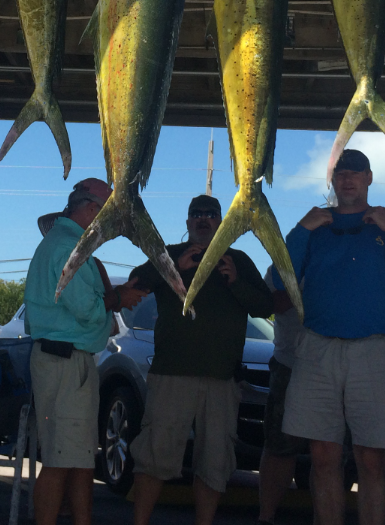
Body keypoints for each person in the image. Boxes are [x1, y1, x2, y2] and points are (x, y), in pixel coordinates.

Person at [283, 149, 385, 525]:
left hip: (374, 350)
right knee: (322, 457)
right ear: (332, 181)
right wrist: (301, 230)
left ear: (369, 178)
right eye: (340, 173)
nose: (348, 179)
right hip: (318, 349)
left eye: (356, 172)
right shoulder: (311, 227)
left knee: (371, 460)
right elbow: (278, 279)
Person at [128, 194, 274, 525]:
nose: (203, 219)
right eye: (196, 215)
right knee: (153, 456)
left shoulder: (237, 260)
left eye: (210, 214)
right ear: (188, 222)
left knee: (215, 463)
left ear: (221, 222)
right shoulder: (170, 254)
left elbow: (265, 308)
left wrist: (235, 281)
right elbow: (137, 282)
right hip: (172, 375)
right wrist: (171, 269)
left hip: (222, 380)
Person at [24, 178, 149, 525]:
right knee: (61, 462)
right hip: (66, 363)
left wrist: (113, 295)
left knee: (77, 461)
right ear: (93, 209)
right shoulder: (68, 248)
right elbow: (88, 309)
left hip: (66, 362)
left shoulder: (66, 244)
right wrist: (119, 298)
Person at [257, 264, 307, 525]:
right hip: (289, 366)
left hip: (336, 367)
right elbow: (267, 304)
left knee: (331, 451)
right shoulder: (285, 261)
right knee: (279, 446)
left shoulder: (347, 256)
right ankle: (266, 517)